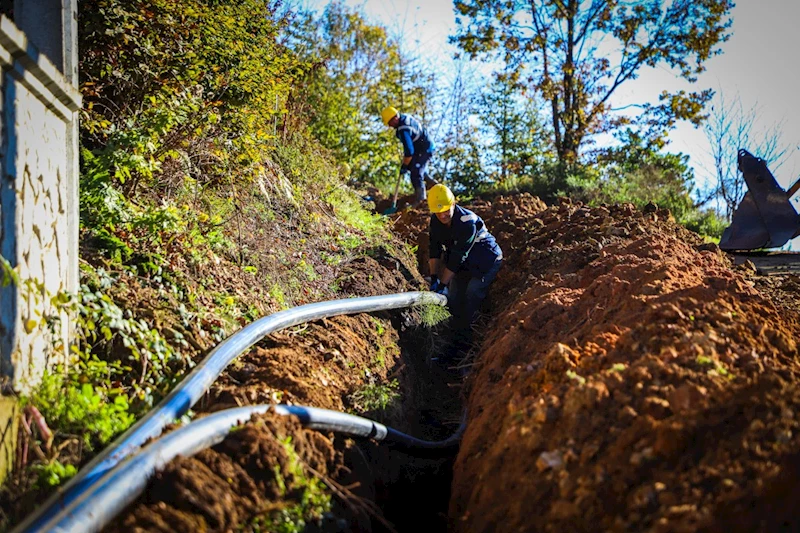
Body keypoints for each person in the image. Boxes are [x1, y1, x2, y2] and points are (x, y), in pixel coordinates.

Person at [426, 184, 503, 361]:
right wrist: (434, 279)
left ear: (453, 203)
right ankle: (450, 342)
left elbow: (457, 258)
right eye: (438, 213)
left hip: (485, 260)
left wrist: (443, 284)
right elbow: (434, 249)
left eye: (446, 210)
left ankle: (465, 345)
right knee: (453, 299)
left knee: (471, 294)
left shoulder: (466, 222)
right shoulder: (436, 221)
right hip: (464, 263)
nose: (442, 216)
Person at [381, 106, 436, 206]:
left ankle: (421, 199)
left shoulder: (403, 129)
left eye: (390, 123)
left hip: (425, 148)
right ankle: (430, 182)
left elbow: (409, 151)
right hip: (420, 148)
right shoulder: (404, 118)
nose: (390, 126)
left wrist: (405, 165)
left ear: (394, 118)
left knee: (415, 174)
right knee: (413, 167)